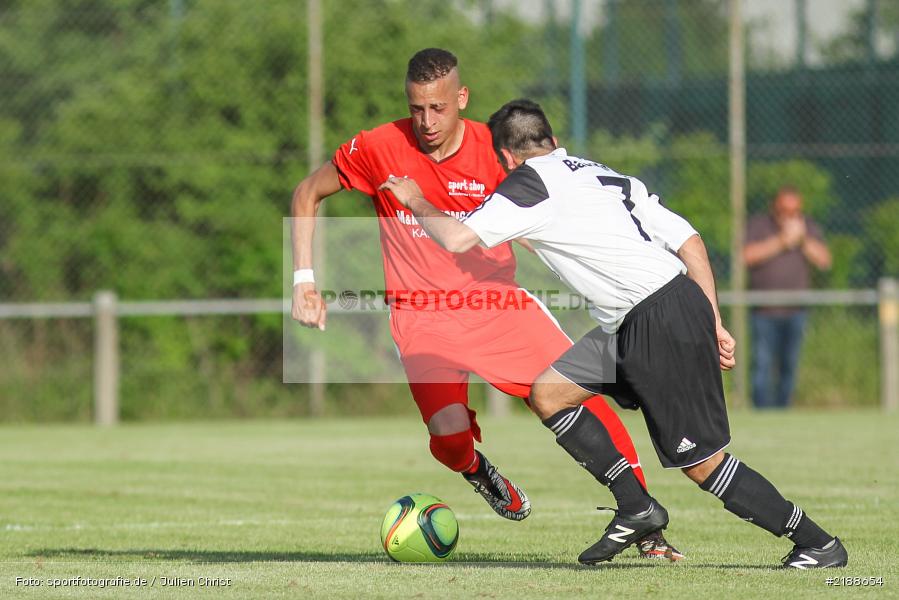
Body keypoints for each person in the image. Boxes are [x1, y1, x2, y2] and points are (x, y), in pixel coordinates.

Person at [380, 98, 847, 569]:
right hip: (642, 317)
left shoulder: (526, 182)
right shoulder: (600, 174)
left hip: (656, 318)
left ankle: (817, 543)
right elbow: (690, 240)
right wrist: (712, 316)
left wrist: (415, 198)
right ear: (553, 142)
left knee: (701, 463)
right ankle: (637, 507)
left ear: (505, 157)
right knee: (549, 393)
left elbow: (457, 237)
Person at [291, 49, 683, 559]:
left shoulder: (494, 149)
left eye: (438, 108)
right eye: (416, 109)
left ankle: (644, 523)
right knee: (449, 440)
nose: (427, 121)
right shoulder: (376, 147)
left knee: (575, 396)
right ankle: (479, 472)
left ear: (461, 98)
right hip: (419, 318)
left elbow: (551, 208)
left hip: (498, 308)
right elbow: (306, 193)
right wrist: (303, 279)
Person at [743, 187, 831, 409]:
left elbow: (824, 261)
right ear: (775, 207)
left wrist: (801, 240)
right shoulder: (759, 225)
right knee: (762, 365)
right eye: (784, 210)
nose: (789, 215)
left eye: (795, 211)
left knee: (789, 365)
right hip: (764, 310)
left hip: (796, 310)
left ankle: (783, 409)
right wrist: (782, 241)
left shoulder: (807, 226)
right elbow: (747, 256)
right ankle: (761, 411)